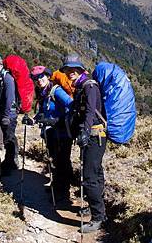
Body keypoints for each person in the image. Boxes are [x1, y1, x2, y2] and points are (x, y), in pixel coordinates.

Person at [62, 54, 107, 233]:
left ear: (80, 70)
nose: (70, 72)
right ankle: (97, 207)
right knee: (95, 173)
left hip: (95, 136)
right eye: (68, 70)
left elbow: (89, 111)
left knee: (89, 177)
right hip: (93, 136)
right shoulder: (81, 86)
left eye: (74, 69)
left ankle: (98, 217)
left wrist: (85, 132)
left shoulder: (89, 86)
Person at [31, 66, 74, 208]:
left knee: (63, 162)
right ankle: (57, 187)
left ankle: (64, 194)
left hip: (62, 132)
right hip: (51, 133)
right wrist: (33, 119)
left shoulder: (56, 90)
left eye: (41, 77)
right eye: (36, 78)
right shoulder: (44, 92)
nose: (39, 80)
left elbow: (71, 106)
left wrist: (56, 121)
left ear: (48, 76)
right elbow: (43, 111)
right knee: (55, 160)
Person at [0, 53, 20, 176]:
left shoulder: (7, 78)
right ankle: (10, 161)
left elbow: (10, 98)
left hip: (9, 114)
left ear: (0, 63)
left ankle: (11, 162)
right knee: (8, 136)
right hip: (2, 112)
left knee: (9, 137)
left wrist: (6, 115)